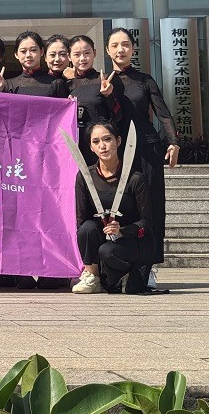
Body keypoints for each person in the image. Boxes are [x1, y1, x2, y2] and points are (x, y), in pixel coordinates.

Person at [0, 31, 69, 289]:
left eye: (33, 50)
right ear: (16, 55)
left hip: (48, 160)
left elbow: (63, 123)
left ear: (41, 53)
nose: (29, 55)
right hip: (18, 161)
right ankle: (21, 268)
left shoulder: (55, 84)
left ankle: (51, 270)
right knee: (21, 217)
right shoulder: (10, 83)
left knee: (48, 215)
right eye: (23, 51)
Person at [106, 27, 179, 291]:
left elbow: (163, 113)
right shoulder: (103, 81)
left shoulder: (144, 80)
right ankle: (119, 267)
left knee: (151, 208)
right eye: (115, 45)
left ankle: (148, 268)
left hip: (147, 149)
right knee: (122, 207)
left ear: (133, 49)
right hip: (116, 153)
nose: (121, 49)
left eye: (125, 44)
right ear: (108, 51)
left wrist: (173, 142)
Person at [73, 122, 153, 294]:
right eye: (96, 142)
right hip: (101, 237)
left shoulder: (135, 178)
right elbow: (81, 219)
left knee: (107, 251)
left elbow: (146, 222)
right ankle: (92, 276)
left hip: (130, 241)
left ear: (118, 141)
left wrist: (122, 231)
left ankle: (130, 274)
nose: (102, 146)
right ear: (91, 147)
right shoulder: (85, 176)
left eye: (107, 139)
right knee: (86, 229)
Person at [67, 35, 118, 165]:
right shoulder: (66, 85)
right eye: (77, 54)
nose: (82, 58)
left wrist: (108, 96)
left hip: (100, 146)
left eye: (87, 53)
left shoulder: (105, 80)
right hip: (75, 147)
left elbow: (119, 115)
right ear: (69, 57)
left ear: (94, 53)